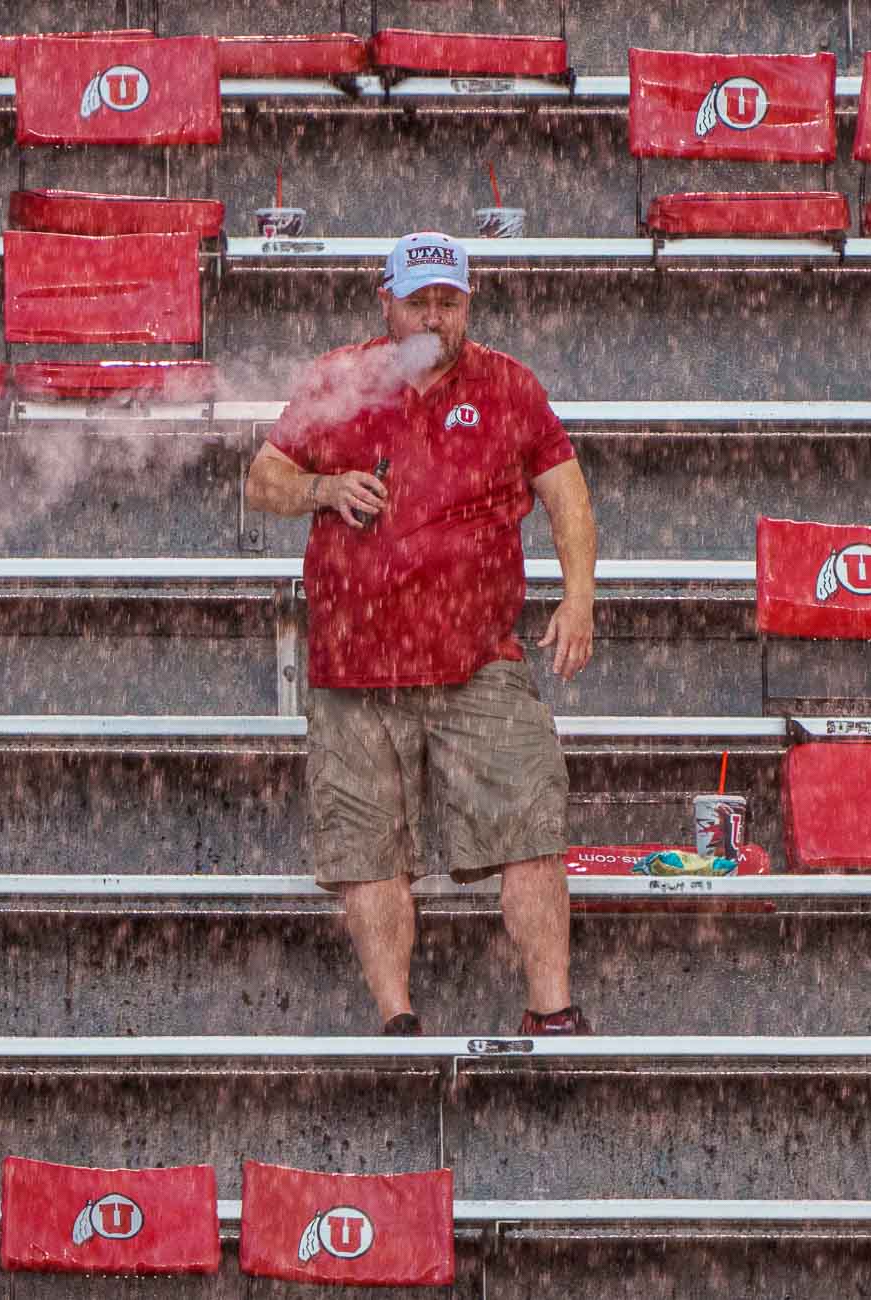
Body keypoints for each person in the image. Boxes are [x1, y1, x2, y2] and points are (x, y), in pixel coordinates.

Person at [243, 232, 599, 1036]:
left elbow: (568, 496)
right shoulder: (340, 379)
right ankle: (398, 1021)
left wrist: (579, 599)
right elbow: (262, 480)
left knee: (532, 827)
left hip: (478, 659)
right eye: (419, 302)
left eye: (449, 301)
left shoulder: (508, 386)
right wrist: (324, 486)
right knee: (369, 850)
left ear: (467, 302)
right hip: (354, 662)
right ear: (387, 302)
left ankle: (554, 1010)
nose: (435, 317)